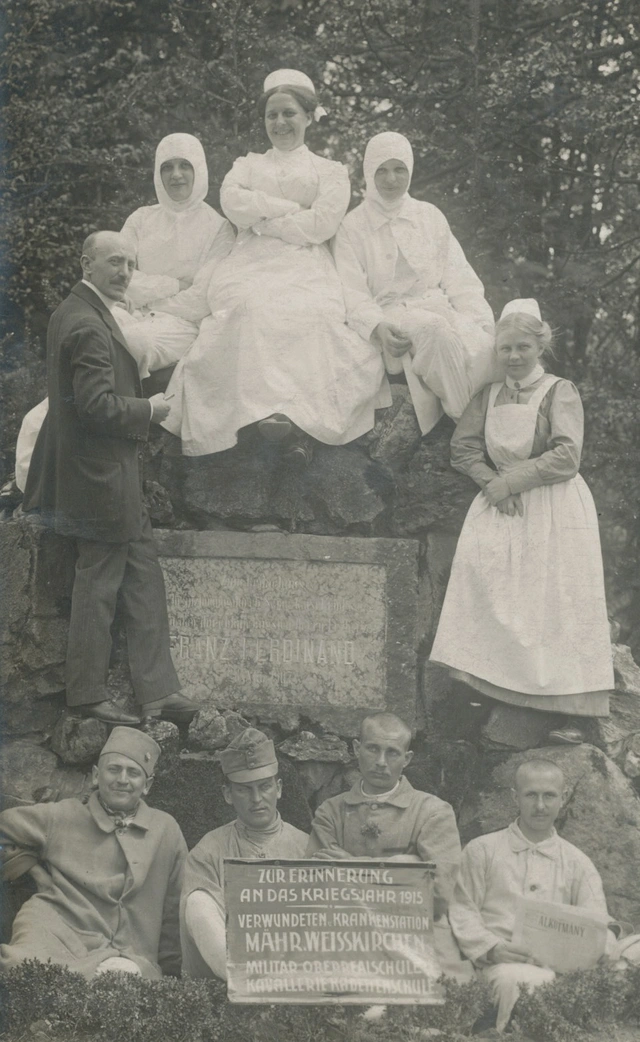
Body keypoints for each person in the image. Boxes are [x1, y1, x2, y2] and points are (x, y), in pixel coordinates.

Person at [159, 69, 390, 463]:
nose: (280, 123)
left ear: (308, 116)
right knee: (247, 308)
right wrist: (291, 211)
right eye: (272, 116)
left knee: (314, 314)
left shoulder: (331, 171)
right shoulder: (247, 165)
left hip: (308, 264)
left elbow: (321, 225)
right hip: (250, 260)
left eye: (289, 114)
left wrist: (263, 219)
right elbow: (233, 204)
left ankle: (298, 419)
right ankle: (255, 414)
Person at [22, 231, 198, 725]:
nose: (124, 273)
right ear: (87, 263)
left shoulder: (74, 311)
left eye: (130, 264)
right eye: (114, 262)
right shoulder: (87, 324)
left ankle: (158, 691)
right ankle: (86, 695)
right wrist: (151, 408)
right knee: (98, 584)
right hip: (98, 478)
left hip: (110, 475)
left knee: (143, 573)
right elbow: (96, 407)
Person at [430, 299, 614, 744]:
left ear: (540, 345)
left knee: (556, 599)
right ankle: (494, 694)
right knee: (491, 588)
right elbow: (464, 448)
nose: (513, 357)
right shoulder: (489, 395)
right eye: (506, 348)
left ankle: (570, 710)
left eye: (523, 347)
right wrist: (490, 482)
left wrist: (512, 482)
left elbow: (567, 455)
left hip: (553, 504)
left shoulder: (559, 390)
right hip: (500, 505)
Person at [14, 134, 235, 491]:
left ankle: (68, 437)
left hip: (179, 326)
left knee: (133, 341)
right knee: (85, 340)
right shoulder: (141, 219)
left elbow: (202, 299)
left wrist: (146, 295)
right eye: (167, 167)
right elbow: (115, 278)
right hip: (127, 311)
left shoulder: (219, 227)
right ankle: (30, 466)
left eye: (185, 166)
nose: (176, 176)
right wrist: (173, 284)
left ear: (200, 170)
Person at [333, 131, 495, 436]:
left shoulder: (429, 216)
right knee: (437, 335)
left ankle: (501, 426)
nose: (391, 179)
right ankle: (471, 432)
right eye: (381, 170)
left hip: (438, 305)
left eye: (399, 169)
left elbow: (460, 277)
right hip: (392, 314)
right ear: (368, 173)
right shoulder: (352, 226)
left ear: (410, 170)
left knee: (485, 345)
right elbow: (351, 291)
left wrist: (481, 321)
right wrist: (376, 326)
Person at [0, 728, 187, 978]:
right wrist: (29, 868)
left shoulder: (166, 829)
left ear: (147, 785)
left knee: (124, 978)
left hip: (132, 951)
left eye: (133, 773)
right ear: (96, 776)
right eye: (113, 769)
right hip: (56, 932)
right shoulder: (63, 815)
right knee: (19, 968)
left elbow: (176, 907)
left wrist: (171, 970)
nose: (122, 779)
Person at [448, 759, 618, 1033]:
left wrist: (596, 949)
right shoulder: (482, 850)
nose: (540, 806)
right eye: (531, 795)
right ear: (515, 797)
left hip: (561, 972)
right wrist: (493, 948)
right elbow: (462, 910)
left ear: (563, 798)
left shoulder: (578, 863)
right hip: (500, 966)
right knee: (521, 979)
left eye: (549, 796)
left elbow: (597, 924)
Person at [306, 712, 471, 982]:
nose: (381, 762)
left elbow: (438, 896)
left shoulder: (433, 812)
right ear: (356, 749)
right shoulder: (331, 812)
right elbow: (320, 888)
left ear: (407, 760)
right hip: (350, 940)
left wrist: (353, 867)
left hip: (420, 940)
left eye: (392, 753)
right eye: (372, 749)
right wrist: (408, 869)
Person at [180, 727, 308, 979]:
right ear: (228, 794)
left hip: (294, 971)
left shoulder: (307, 847)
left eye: (265, 786)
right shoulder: (208, 850)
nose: (257, 798)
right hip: (227, 976)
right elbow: (199, 926)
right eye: (244, 789)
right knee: (197, 902)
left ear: (279, 788)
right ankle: (249, 982)